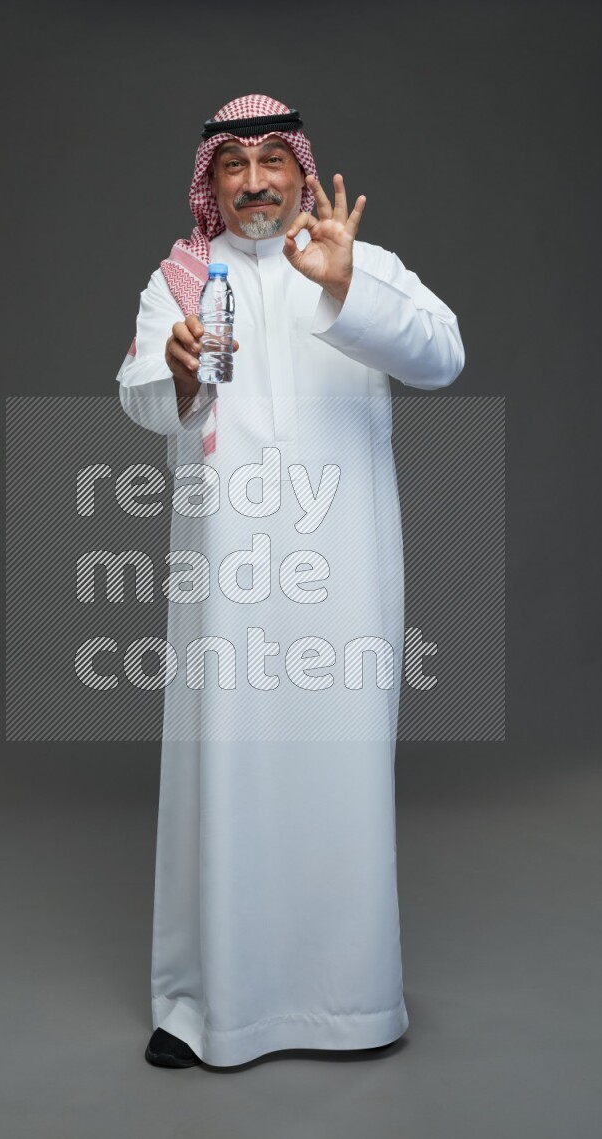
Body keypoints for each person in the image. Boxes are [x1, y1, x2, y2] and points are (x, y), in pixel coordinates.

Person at [116, 94, 465, 1069]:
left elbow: (440, 355)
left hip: (341, 581)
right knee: (220, 772)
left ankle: (347, 1002)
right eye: (234, 164)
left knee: (336, 774)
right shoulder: (180, 278)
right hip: (225, 577)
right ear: (211, 181)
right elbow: (143, 393)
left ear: (302, 171)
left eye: (274, 158)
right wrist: (179, 371)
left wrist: (350, 288)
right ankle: (204, 1005)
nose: (256, 180)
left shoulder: (358, 261)